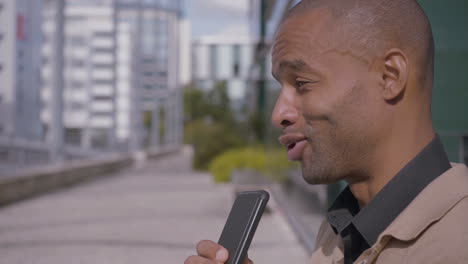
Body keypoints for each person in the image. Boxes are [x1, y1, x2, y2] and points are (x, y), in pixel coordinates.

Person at [184, 0, 468, 263]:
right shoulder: (336, 234)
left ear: (389, 77)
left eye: (302, 83)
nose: (278, 115)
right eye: (281, 86)